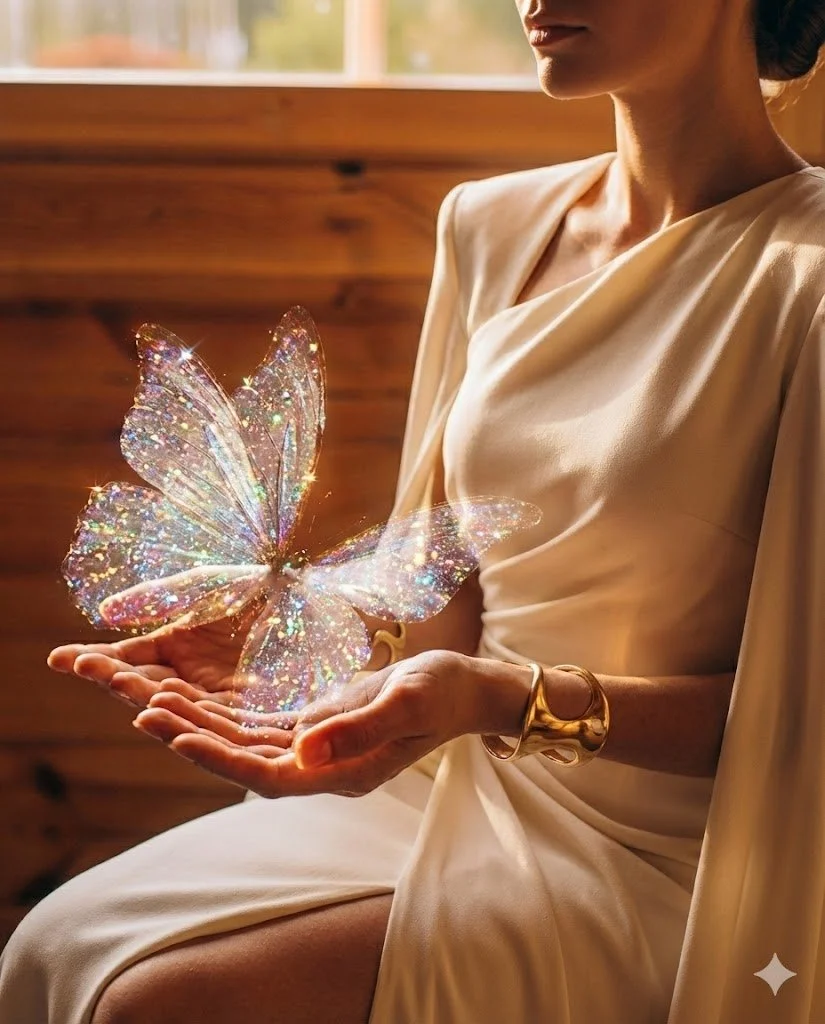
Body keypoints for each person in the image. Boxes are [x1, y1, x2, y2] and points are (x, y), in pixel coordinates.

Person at [3, 0, 825, 1021]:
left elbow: (801, 721)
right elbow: (448, 596)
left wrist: (493, 699)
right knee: (53, 948)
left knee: (159, 1002)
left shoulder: (808, 277)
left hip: (687, 851)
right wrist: (304, 639)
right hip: (455, 776)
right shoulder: (494, 229)